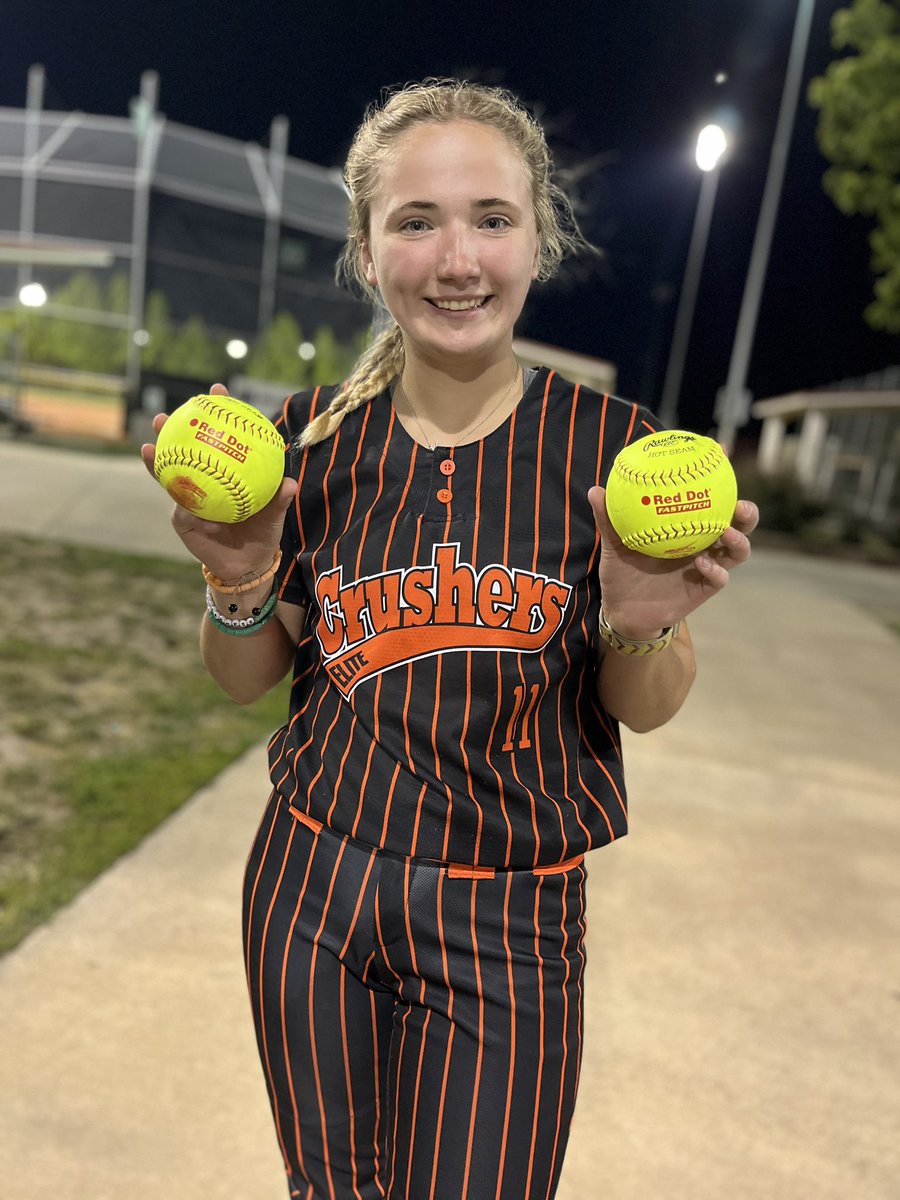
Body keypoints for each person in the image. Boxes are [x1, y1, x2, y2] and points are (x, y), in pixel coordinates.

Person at [143, 79, 758, 1200]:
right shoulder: (307, 442)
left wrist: (638, 619)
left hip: (507, 915)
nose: (456, 258)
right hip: (308, 883)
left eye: (491, 218)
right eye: (416, 223)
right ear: (369, 254)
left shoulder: (622, 456)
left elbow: (646, 704)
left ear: (538, 240)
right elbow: (245, 681)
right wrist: (236, 583)